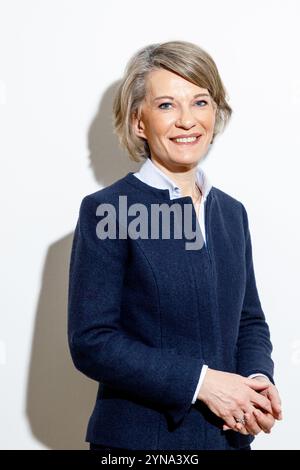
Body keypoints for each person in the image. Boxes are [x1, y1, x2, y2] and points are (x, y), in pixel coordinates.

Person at [67, 40, 282, 451]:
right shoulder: (108, 210)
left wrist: (257, 381)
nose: (187, 120)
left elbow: (249, 320)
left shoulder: (231, 213)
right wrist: (202, 383)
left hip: (228, 442)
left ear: (216, 113)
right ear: (138, 122)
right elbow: (92, 340)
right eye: (166, 105)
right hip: (140, 444)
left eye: (200, 102)